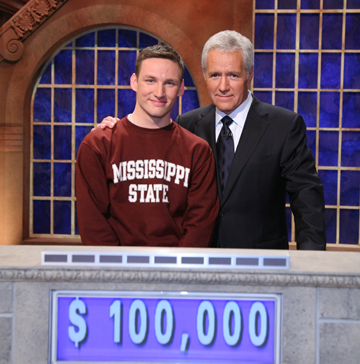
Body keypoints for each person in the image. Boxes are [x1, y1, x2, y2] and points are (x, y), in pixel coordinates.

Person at [97, 31, 326, 250]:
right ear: (205, 75)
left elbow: (307, 202)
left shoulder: (283, 126)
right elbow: (149, 155)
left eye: (233, 75)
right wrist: (117, 131)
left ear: (249, 74)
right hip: (197, 261)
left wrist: (312, 265)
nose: (223, 86)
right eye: (215, 75)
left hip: (259, 263)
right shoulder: (186, 124)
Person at [76, 44, 219, 247]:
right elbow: (93, 223)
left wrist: (177, 272)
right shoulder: (98, 144)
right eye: (150, 80)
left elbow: (200, 225)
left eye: (169, 83)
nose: (159, 92)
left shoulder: (197, 151)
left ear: (181, 88)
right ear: (134, 82)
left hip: (177, 271)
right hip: (115, 272)